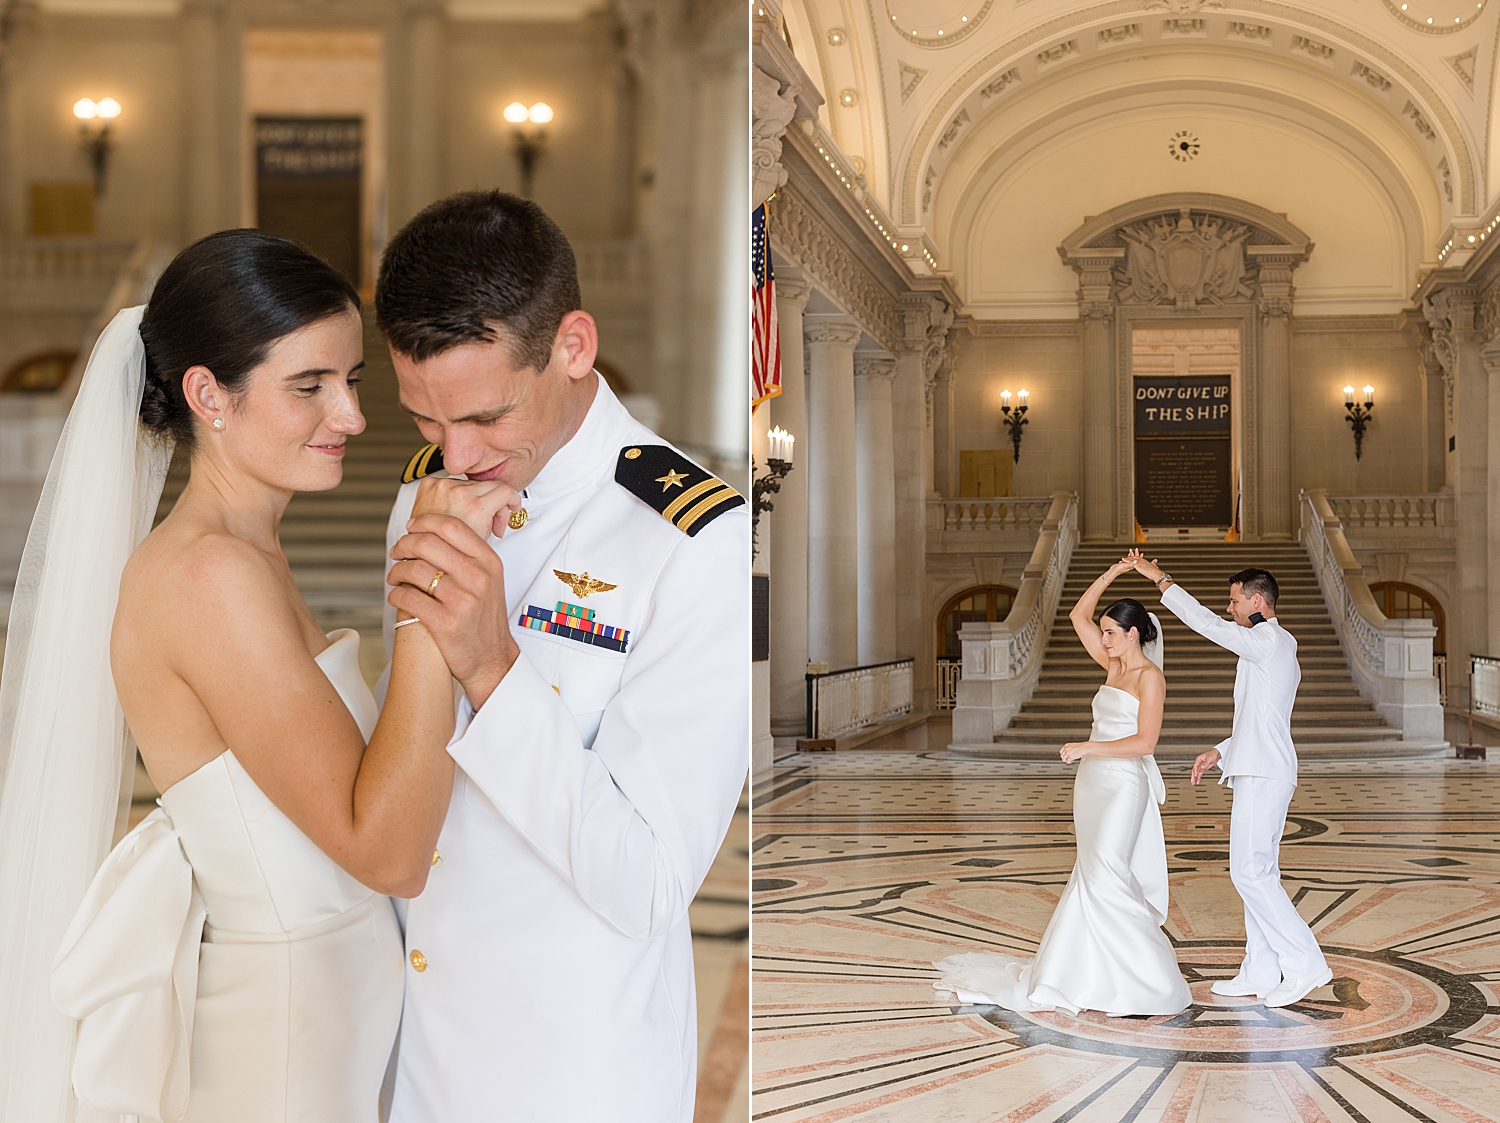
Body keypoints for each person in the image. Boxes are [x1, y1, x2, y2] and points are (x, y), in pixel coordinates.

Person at [0, 231, 514, 1122]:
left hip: (337, 998)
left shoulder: (249, 554)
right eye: (309, 386)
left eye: (351, 379)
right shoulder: (209, 577)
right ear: (209, 394)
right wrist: (435, 582)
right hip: (287, 1030)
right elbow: (387, 850)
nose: (351, 415)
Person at [372, 191, 749, 1122]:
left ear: (572, 346)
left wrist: (495, 667)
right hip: (408, 1051)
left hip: (569, 1069)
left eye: (489, 416)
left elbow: (647, 881)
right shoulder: (423, 496)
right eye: (425, 419)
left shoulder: (693, 541)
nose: (457, 455)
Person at [935, 558, 1190, 1017]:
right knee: (1090, 876)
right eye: (1105, 631)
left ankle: (1149, 980)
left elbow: (1145, 741)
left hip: (1124, 785)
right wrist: (1112, 574)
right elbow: (1078, 615)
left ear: (1134, 634)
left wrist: (1089, 745)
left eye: (1112, 631)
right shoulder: (1110, 664)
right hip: (1092, 784)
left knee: (1108, 874)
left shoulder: (1150, 678)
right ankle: (1086, 975)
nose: (1104, 638)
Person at [1128, 551, 1332, 1008]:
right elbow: (1260, 718)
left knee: (1249, 873)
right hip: (1259, 766)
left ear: (1257, 600)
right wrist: (1221, 750)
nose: (1229, 609)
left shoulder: (1269, 640)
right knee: (1259, 872)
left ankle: (1305, 964)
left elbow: (1207, 625)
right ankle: (1260, 971)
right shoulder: (1268, 647)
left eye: (1235, 600)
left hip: (1265, 773)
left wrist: (1161, 580)